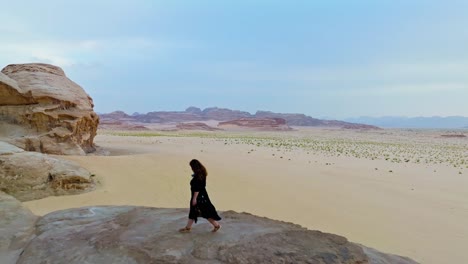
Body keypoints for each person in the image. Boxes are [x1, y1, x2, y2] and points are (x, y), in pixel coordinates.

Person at [179, 159, 221, 233]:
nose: (191, 168)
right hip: (202, 196)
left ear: (194, 167)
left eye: (191, 167)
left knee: (205, 212)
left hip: (199, 197)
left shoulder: (198, 176)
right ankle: (188, 228)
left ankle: (217, 225)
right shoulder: (202, 173)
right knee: (194, 212)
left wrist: (194, 198)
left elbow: (197, 189)